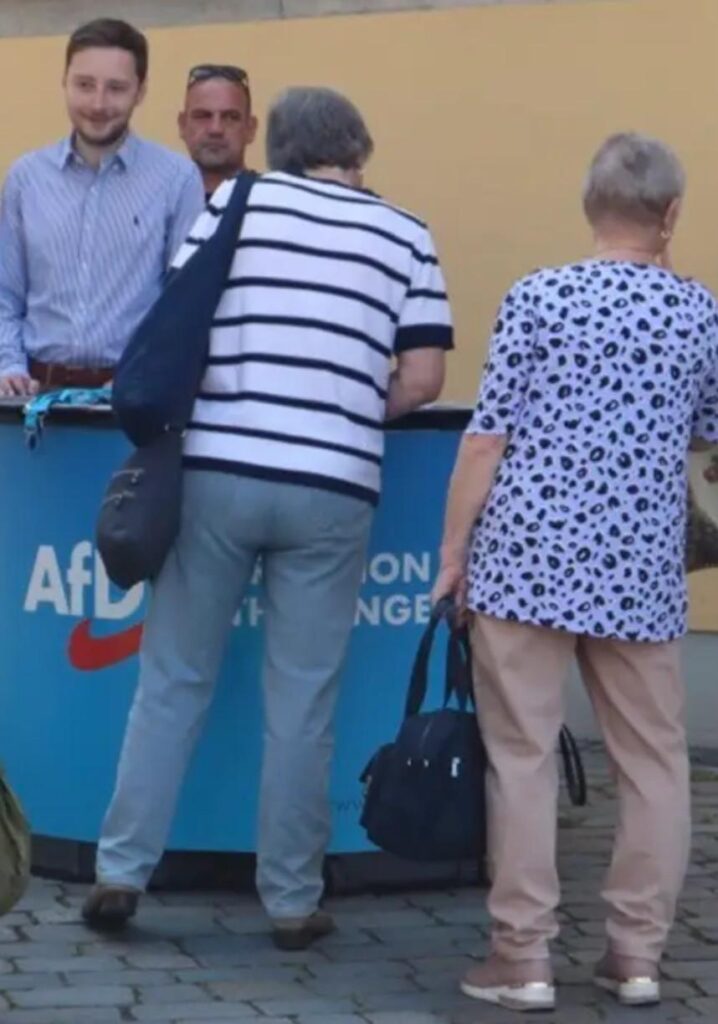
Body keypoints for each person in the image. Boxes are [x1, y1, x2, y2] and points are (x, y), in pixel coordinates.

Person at [83, 86, 453, 949]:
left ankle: (121, 870)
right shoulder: (404, 230)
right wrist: (349, 409)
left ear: (276, 145)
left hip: (219, 473)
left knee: (173, 680)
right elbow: (426, 378)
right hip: (333, 486)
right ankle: (290, 899)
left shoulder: (235, 201)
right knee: (303, 700)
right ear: (358, 149)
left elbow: (180, 321)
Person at [432, 133, 718, 1012]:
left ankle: (522, 959)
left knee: (520, 759)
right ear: (670, 215)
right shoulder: (697, 313)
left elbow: (486, 438)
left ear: (590, 208)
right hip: (638, 567)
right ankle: (635, 956)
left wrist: (453, 555)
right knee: (656, 765)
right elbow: (708, 435)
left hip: (526, 559)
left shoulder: (539, 297)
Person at [0, 18, 204, 397]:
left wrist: (145, 377)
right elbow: (5, 294)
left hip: (130, 404)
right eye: (84, 85)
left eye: (116, 88)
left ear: (140, 91)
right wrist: (8, 366)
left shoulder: (177, 179)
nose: (97, 103)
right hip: (31, 403)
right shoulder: (26, 178)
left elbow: (182, 306)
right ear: (64, 82)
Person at [179, 64, 257, 201]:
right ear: (182, 125)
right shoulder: (160, 205)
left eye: (230, 117)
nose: (216, 129)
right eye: (203, 116)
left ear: (250, 128)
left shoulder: (272, 203)